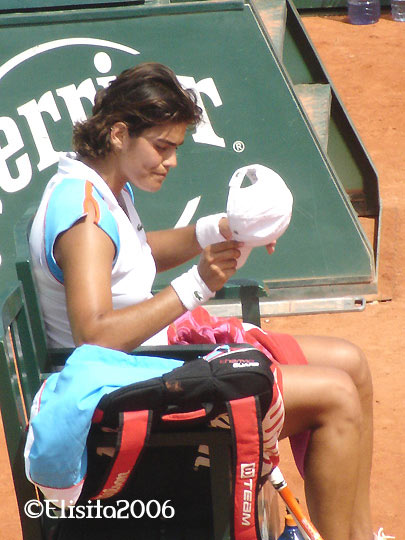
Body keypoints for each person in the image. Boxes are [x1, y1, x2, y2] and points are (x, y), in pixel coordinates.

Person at [29, 62, 375, 540]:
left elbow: (139, 256)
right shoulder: (83, 218)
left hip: (150, 363)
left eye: (176, 148)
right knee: (335, 396)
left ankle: (359, 534)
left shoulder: (102, 188)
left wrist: (224, 229)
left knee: (351, 365)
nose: (170, 161)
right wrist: (196, 285)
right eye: (162, 147)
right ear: (118, 133)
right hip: (123, 394)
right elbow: (96, 334)